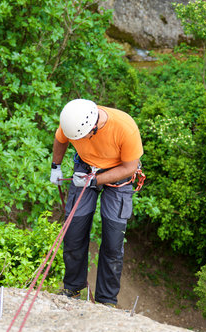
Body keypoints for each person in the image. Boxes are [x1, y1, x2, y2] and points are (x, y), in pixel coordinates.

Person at [50, 99, 143, 307]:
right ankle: (72, 288)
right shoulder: (73, 120)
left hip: (118, 174)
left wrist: (95, 180)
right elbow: (61, 140)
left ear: (93, 128)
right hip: (85, 167)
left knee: (112, 240)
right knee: (74, 231)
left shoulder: (125, 128)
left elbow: (129, 167)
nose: (79, 140)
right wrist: (55, 166)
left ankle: (106, 300)